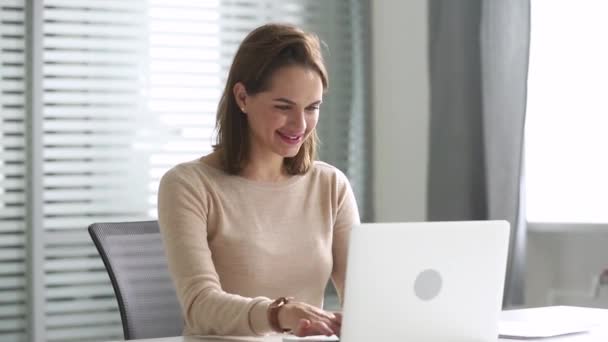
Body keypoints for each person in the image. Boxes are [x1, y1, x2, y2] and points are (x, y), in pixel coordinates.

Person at [157, 23, 360, 337]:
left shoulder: (331, 186)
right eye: (283, 107)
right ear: (242, 97)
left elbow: (363, 292)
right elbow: (199, 305)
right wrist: (277, 314)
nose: (300, 124)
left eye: (312, 108)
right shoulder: (188, 185)